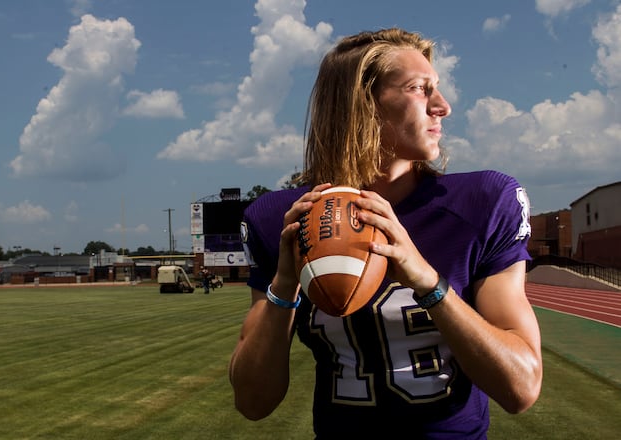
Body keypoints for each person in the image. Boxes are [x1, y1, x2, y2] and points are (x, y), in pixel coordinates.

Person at [229, 28, 542, 439]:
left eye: (436, 88)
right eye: (419, 88)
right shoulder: (281, 218)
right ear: (361, 105)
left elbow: (521, 388)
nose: (442, 106)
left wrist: (428, 283)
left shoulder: (483, 201)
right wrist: (284, 285)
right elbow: (252, 402)